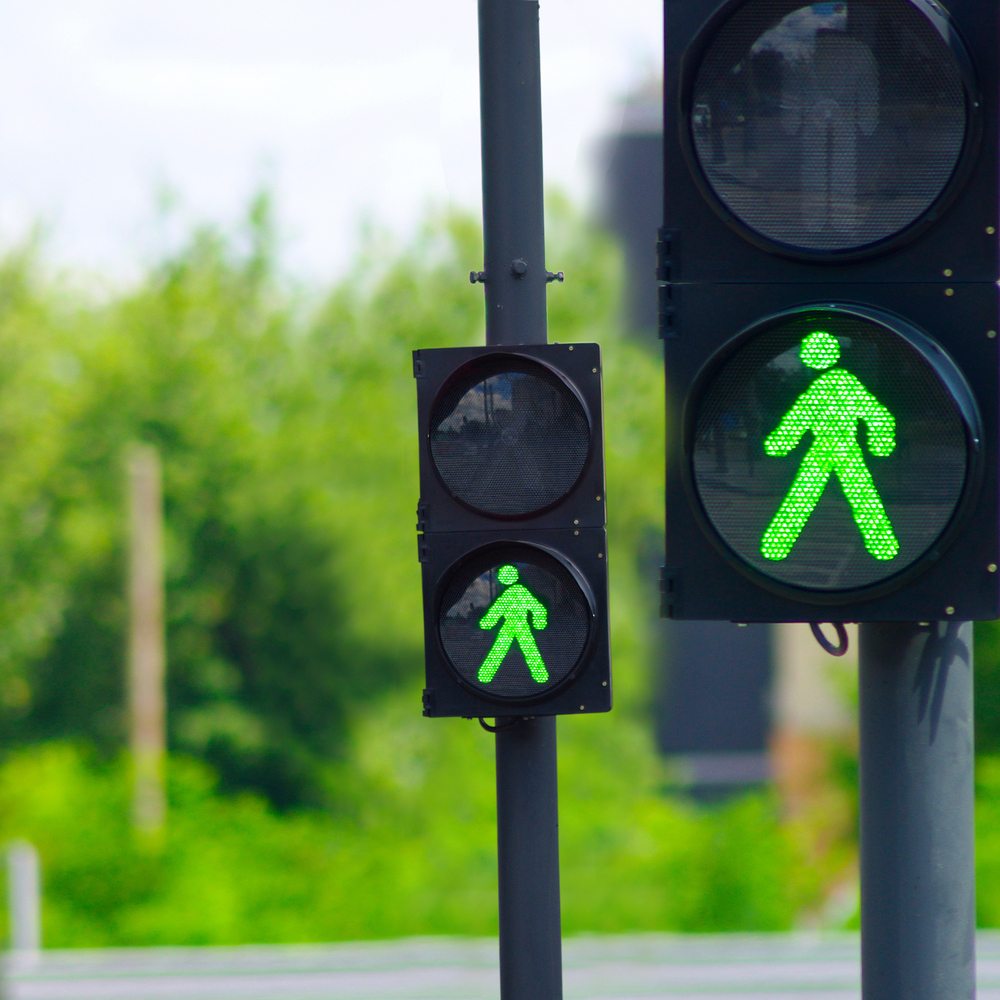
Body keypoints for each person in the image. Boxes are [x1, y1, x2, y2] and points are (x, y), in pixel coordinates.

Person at [761, 329, 898, 561]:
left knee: (800, 499)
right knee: (863, 499)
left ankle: (778, 546)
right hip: (843, 450)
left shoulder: (825, 387)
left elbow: (797, 419)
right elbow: (878, 414)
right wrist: (880, 441)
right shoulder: (843, 384)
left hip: (826, 450)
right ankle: (882, 546)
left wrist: (780, 443)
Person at [478, 564, 549, 684]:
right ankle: (540, 676)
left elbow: (496, 610)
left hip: (513, 626)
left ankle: (485, 675)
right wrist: (539, 621)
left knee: (499, 651)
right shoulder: (520, 592)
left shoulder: (514, 593)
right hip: (518, 626)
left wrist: (487, 622)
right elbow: (537, 608)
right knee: (529, 651)